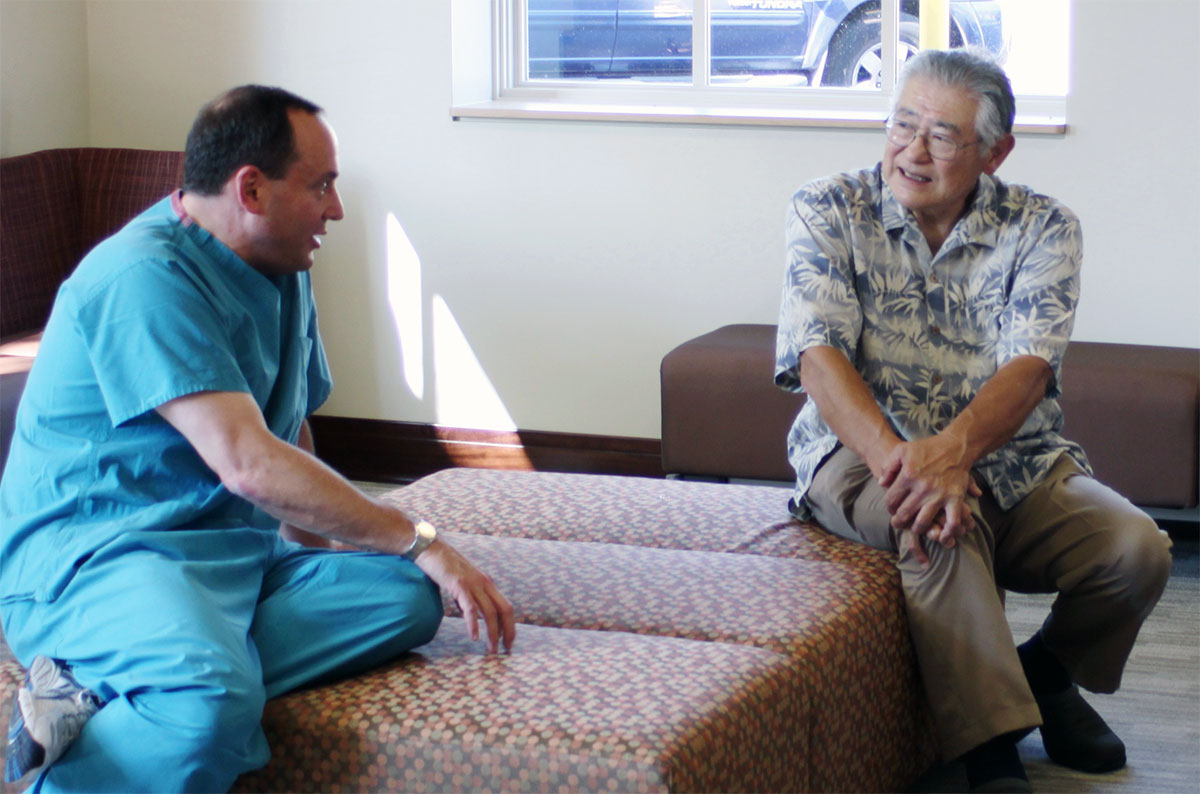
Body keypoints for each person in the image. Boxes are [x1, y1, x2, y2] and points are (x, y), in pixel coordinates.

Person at [0, 85, 516, 793]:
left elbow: (289, 426)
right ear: (251, 187)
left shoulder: (283, 267)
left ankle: (103, 677)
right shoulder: (143, 277)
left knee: (407, 601)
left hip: (227, 554)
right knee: (210, 702)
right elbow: (248, 463)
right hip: (99, 560)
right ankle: (67, 753)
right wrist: (420, 537)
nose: (336, 208)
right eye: (322, 186)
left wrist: (324, 549)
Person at [774, 49, 1172, 794]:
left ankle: (1046, 673)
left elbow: (1029, 366)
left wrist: (952, 453)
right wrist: (911, 464)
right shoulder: (827, 207)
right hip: (858, 453)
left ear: (996, 151)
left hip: (1011, 457)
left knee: (1136, 551)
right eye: (902, 124)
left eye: (943, 136)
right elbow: (817, 359)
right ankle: (992, 752)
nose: (912, 151)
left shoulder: (1044, 227)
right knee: (934, 525)